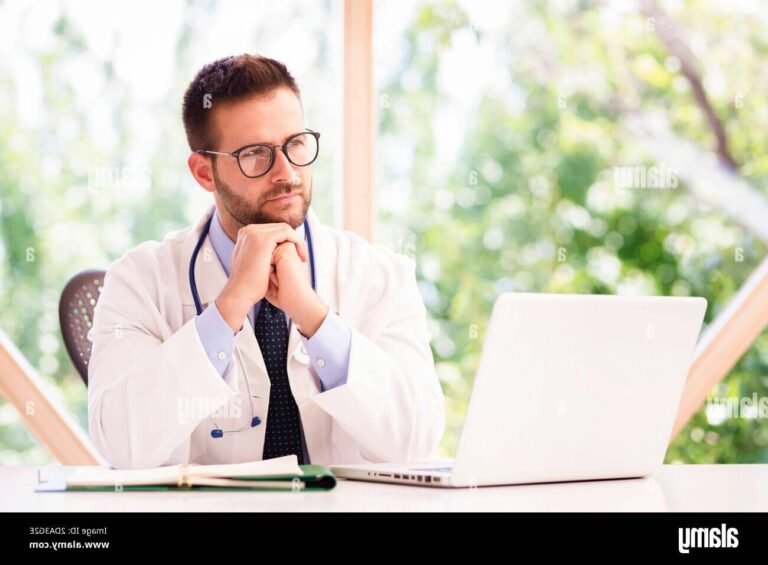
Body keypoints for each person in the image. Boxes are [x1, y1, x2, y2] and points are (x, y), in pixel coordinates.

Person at [87, 54, 445, 469]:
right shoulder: (138, 281)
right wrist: (228, 308)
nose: (286, 172)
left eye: (295, 144)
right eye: (255, 153)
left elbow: (416, 443)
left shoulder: (382, 276)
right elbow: (121, 446)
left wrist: (314, 317)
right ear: (204, 172)